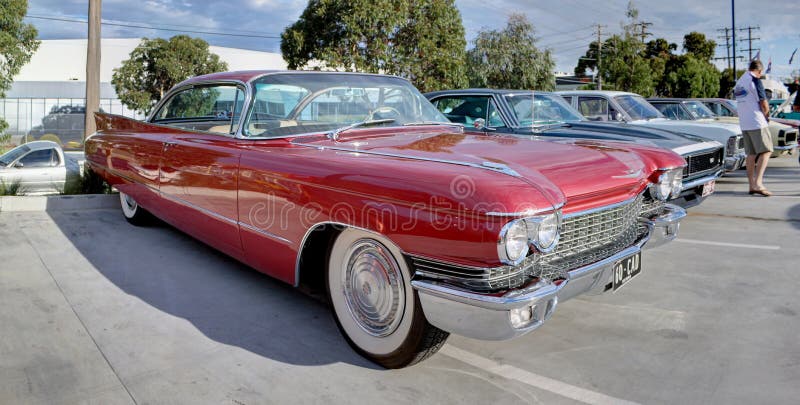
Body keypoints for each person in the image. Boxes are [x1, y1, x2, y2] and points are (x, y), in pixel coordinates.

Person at [734, 59, 773, 196]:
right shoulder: (755, 80)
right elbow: (764, 103)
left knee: (751, 154)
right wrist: (767, 116)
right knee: (766, 151)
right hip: (757, 122)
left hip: (745, 123)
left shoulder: (740, 81)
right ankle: (758, 183)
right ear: (760, 71)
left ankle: (751, 184)